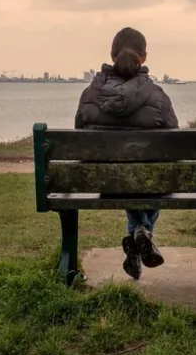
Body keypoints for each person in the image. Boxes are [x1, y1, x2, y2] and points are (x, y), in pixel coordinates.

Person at [74, 27, 179, 280]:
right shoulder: (158, 96)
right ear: (143, 57)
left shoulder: (89, 94)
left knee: (124, 179)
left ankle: (138, 235)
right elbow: (175, 143)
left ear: (112, 56)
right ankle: (143, 231)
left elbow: (79, 137)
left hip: (105, 180)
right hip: (150, 182)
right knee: (150, 179)